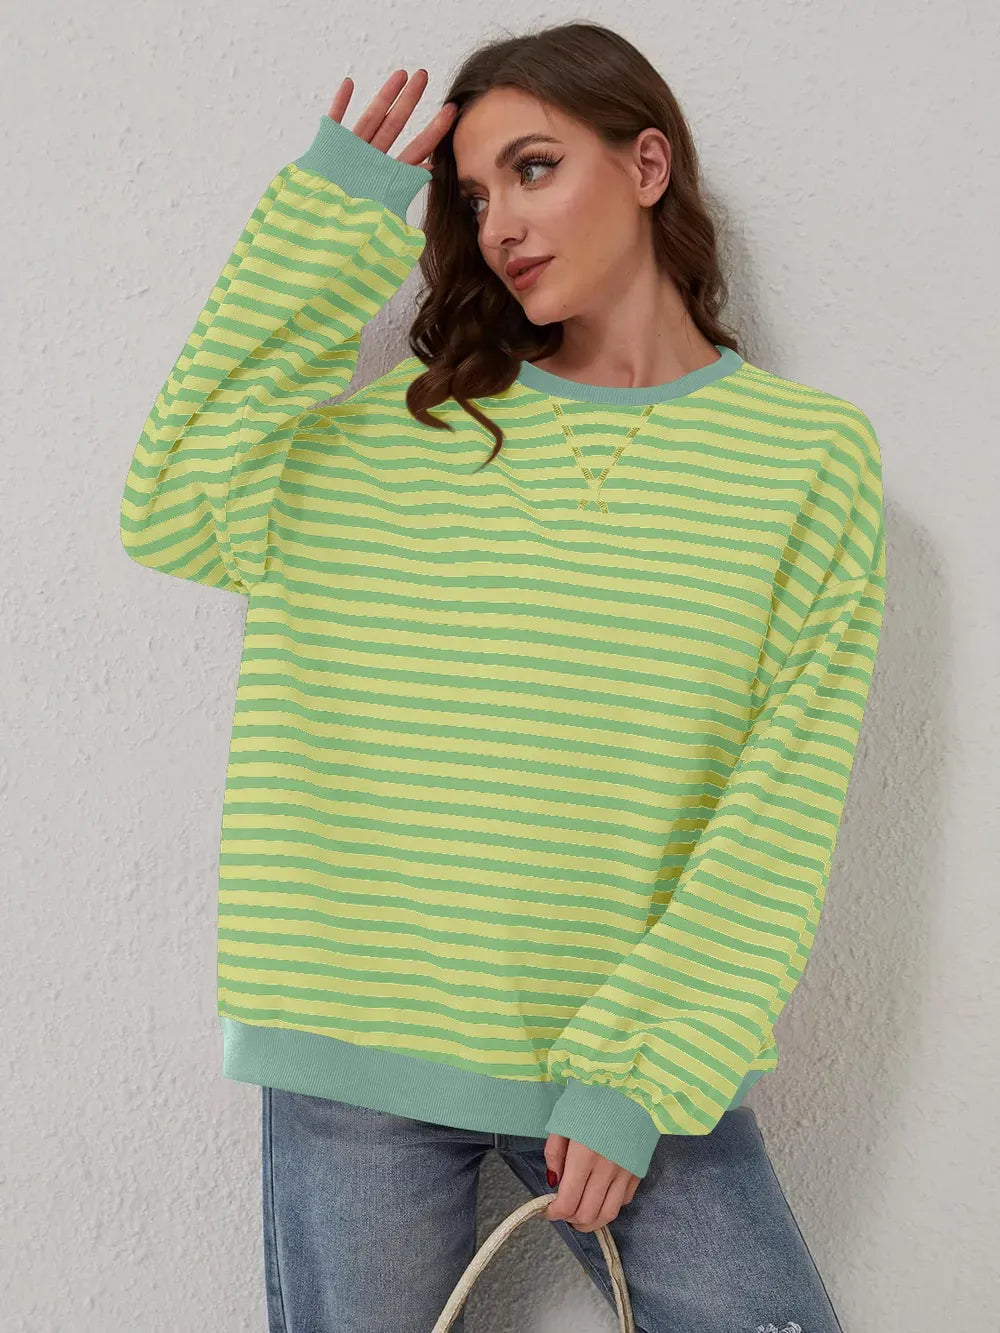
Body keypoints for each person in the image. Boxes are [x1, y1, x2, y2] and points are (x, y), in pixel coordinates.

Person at [119, 22, 884, 1333]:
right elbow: (173, 507)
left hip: (628, 1057)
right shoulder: (394, 438)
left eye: (534, 168)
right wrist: (332, 220)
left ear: (646, 165)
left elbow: (783, 801)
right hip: (352, 1043)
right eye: (472, 198)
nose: (502, 224)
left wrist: (643, 1072)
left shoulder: (805, 459)